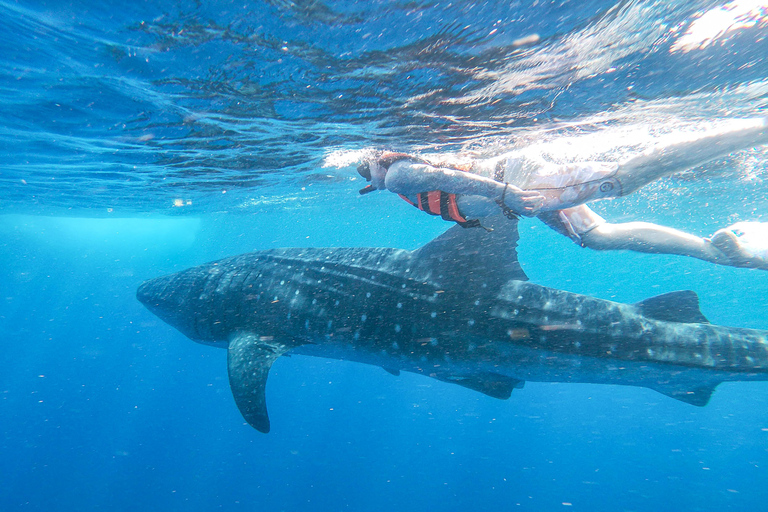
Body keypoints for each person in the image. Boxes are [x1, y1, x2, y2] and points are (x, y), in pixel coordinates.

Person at [356, 118, 768, 270]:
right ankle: (714, 250)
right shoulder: (392, 179)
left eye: (363, 171)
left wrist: (507, 194)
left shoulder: (395, 177)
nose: (367, 181)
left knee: (621, 181)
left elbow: (457, 181)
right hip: (517, 192)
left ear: (371, 161)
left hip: (518, 183)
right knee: (597, 238)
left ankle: (752, 130)